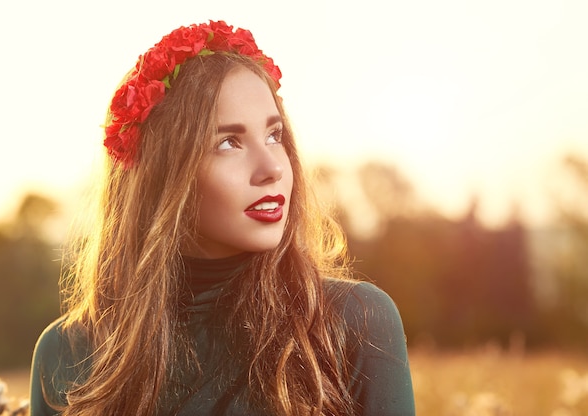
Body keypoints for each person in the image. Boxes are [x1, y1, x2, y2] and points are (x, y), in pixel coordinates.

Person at [29, 20, 415, 416]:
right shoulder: (68, 352)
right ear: (162, 176)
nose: (272, 168)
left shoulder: (353, 322)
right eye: (228, 143)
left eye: (274, 135)